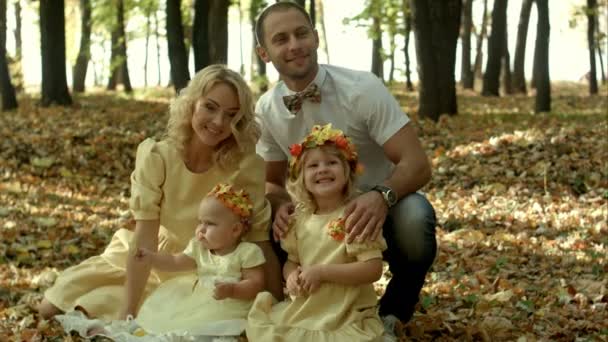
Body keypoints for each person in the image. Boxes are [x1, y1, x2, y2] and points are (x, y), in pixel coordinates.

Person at [37, 64, 283, 322]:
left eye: (231, 115)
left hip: (201, 265)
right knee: (49, 309)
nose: (219, 122)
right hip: (148, 255)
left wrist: (275, 305)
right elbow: (144, 237)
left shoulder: (245, 165)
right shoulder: (159, 156)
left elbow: (258, 240)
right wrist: (127, 311)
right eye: (210, 107)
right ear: (191, 104)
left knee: (122, 316)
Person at [253, 1, 438, 331]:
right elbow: (272, 185)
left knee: (415, 217)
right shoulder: (266, 109)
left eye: (301, 33)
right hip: (314, 216)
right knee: (262, 218)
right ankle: (303, 307)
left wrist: (381, 197)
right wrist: (281, 204)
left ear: (316, 37)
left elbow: (417, 164)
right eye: (281, 39)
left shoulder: (362, 88)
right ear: (264, 53)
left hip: (381, 206)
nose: (294, 45)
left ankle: (392, 314)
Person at [246, 124, 387, 341]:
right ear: (301, 177)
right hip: (309, 306)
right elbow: (292, 260)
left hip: (346, 310)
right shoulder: (299, 218)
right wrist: (291, 275)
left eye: (332, 163)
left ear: (347, 171)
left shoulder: (355, 216)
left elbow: (372, 269)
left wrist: (322, 272)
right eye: (313, 165)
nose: (322, 169)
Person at [132, 183, 265, 337]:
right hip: (199, 303)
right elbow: (175, 261)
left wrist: (233, 290)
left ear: (235, 230)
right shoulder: (199, 249)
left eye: (210, 223)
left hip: (231, 306)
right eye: (200, 222)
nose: (201, 229)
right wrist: (151, 258)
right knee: (180, 321)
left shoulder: (247, 252)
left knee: (213, 328)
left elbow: (256, 283)